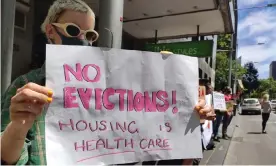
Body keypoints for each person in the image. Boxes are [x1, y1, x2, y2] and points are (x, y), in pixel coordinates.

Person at [1, 1, 212, 165]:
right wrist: (18, 127)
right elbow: (7, 159)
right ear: (50, 31)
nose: (83, 39)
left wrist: (187, 115)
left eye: (90, 35)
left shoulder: (110, 87)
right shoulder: (27, 86)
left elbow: (143, 128)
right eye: (73, 30)